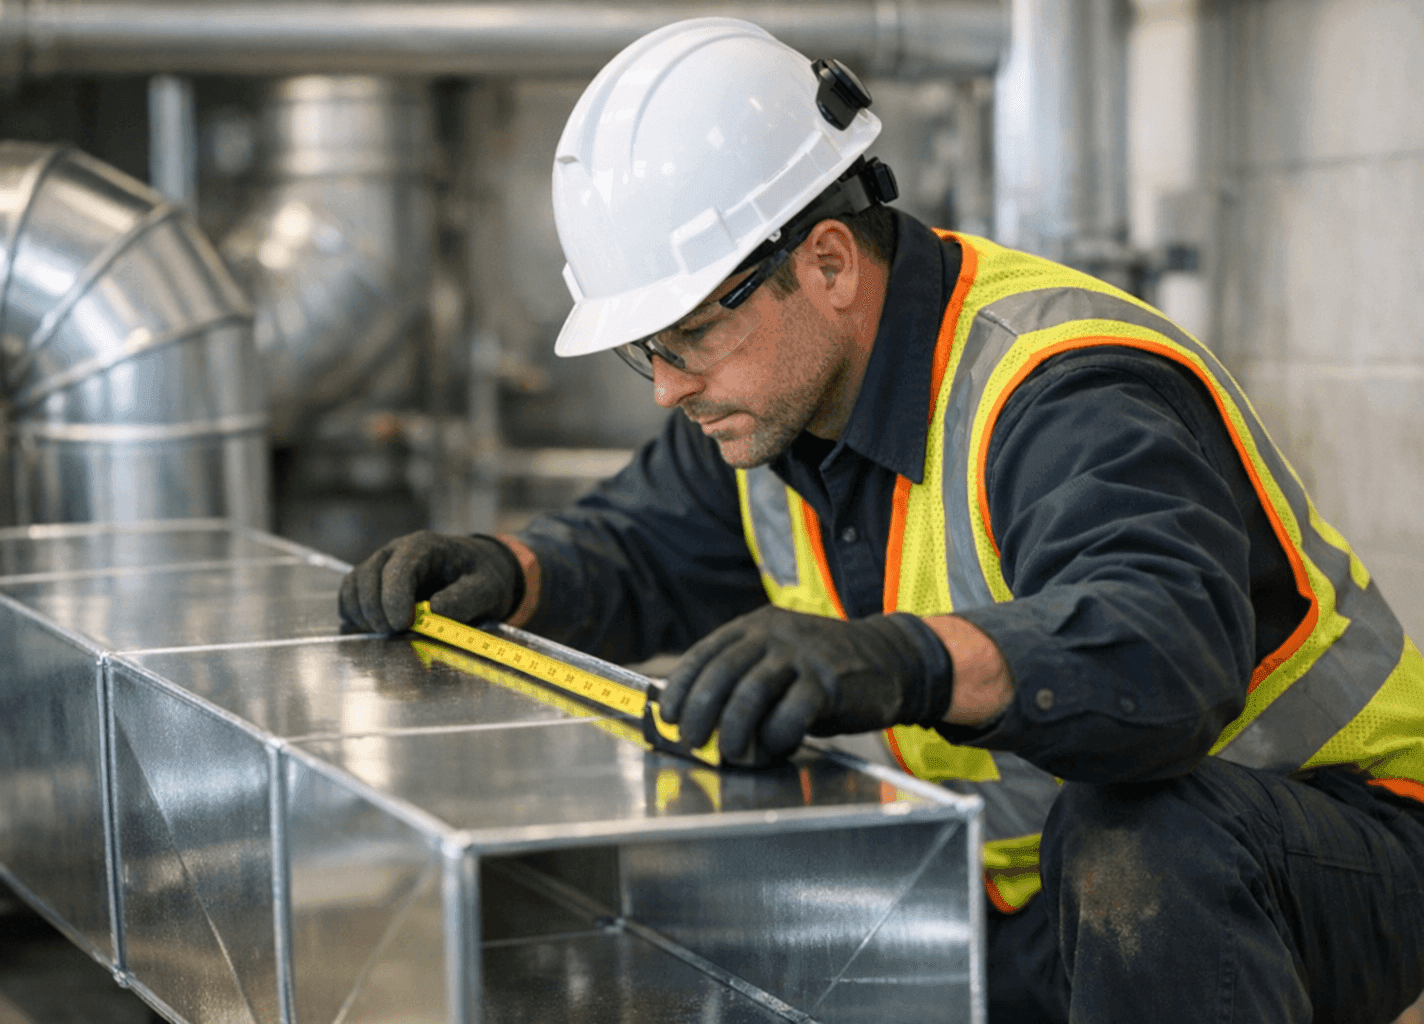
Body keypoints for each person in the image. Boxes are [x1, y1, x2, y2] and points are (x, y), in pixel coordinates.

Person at [338, 18, 1424, 1024]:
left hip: (1340, 837)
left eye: (685, 339)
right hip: (1033, 892)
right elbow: (639, 547)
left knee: (1141, 846)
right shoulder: (769, 404)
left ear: (825, 263)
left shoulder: (1062, 391)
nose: (666, 387)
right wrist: (501, 569)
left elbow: (1164, 652)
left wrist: (901, 660)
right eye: (648, 352)